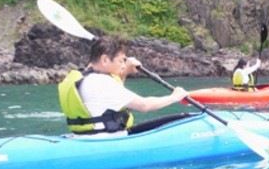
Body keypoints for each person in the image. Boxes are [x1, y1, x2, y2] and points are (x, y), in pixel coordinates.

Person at [58, 36, 189, 136]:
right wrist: (174, 97)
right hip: (107, 141)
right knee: (181, 120)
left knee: (180, 119)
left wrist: (125, 70)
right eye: (121, 61)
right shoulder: (103, 83)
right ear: (104, 60)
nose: (122, 65)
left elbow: (113, 98)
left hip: (86, 137)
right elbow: (144, 106)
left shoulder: (85, 78)